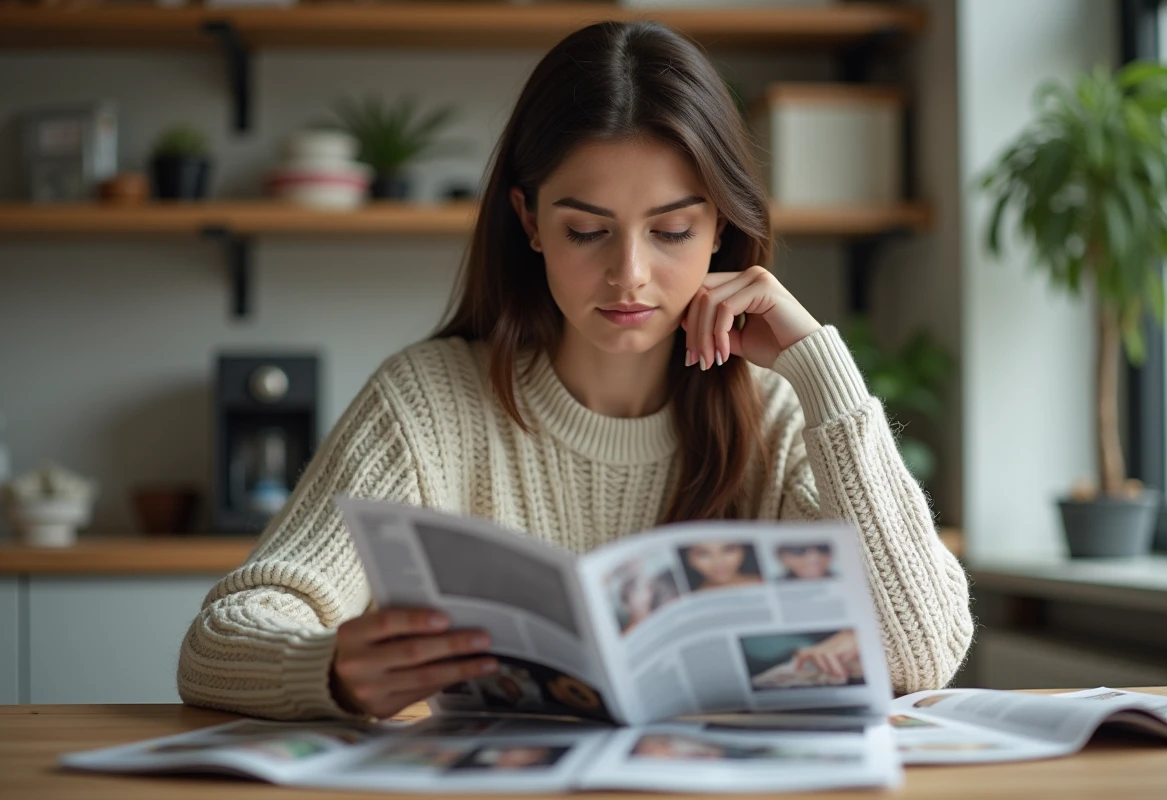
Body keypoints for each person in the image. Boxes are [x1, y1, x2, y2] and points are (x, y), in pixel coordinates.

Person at [177, 19, 973, 722]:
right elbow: (221, 639)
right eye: (588, 231)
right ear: (529, 221)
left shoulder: (776, 414)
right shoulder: (426, 402)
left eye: (671, 231)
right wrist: (331, 670)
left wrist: (820, 369)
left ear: (721, 230)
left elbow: (924, 652)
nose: (629, 275)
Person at [680, 541, 762, 591]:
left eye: (728, 549)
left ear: (742, 550)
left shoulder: (764, 584)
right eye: (703, 553)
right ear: (689, 559)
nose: (718, 562)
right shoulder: (687, 600)